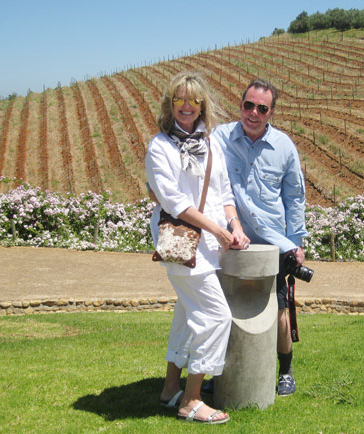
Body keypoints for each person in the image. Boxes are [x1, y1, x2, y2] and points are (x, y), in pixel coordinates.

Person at [145, 71, 250, 424]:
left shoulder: (210, 144)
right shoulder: (159, 146)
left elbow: (222, 192)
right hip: (180, 240)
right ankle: (191, 400)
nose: (186, 106)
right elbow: (173, 201)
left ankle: (169, 388)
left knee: (188, 313)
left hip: (210, 240)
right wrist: (217, 230)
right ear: (169, 104)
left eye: (193, 100)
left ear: (202, 104)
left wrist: (233, 226)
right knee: (216, 316)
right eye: (179, 99)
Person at [211, 78, 308, 396]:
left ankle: (286, 372)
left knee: (278, 309)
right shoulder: (220, 138)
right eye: (248, 105)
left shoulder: (284, 147)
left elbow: (295, 197)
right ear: (240, 105)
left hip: (272, 244)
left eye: (261, 108)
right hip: (226, 240)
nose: (253, 113)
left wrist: (296, 243)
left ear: (271, 112)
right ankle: (215, 371)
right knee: (221, 308)